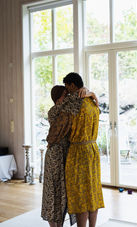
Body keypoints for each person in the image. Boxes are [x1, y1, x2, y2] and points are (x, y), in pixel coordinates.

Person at [41, 85, 98, 227]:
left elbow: (83, 102)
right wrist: (87, 92)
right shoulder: (56, 111)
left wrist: (90, 92)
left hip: (67, 154)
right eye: (65, 95)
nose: (68, 97)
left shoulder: (66, 108)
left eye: (68, 94)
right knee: (53, 193)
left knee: (65, 194)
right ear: (58, 98)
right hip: (55, 156)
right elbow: (76, 100)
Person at [63, 73, 104, 227]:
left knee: (80, 194)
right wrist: (92, 92)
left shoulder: (73, 103)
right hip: (92, 149)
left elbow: (63, 126)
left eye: (67, 88)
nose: (67, 91)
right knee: (92, 191)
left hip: (78, 151)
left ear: (73, 85)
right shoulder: (93, 102)